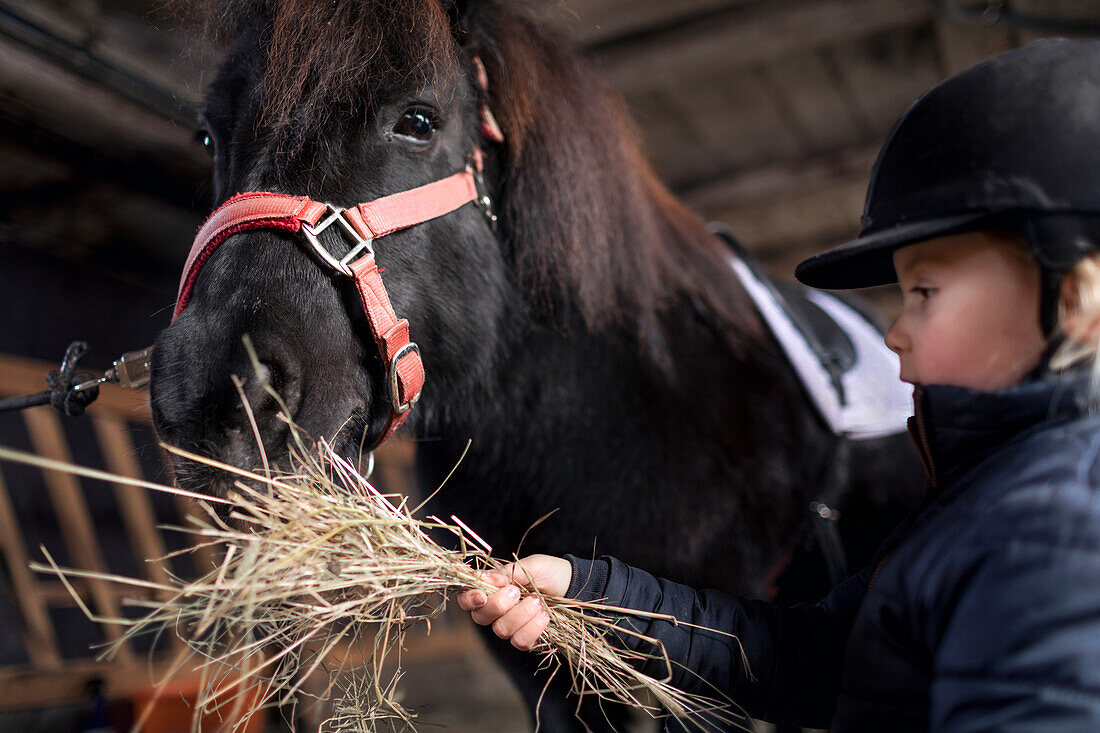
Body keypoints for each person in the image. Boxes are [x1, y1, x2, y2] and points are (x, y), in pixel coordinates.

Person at [456, 38, 1100, 732]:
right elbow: (809, 657)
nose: (895, 331)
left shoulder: (1055, 531)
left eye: (924, 290)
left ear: (1076, 298)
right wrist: (591, 595)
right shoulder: (990, 498)